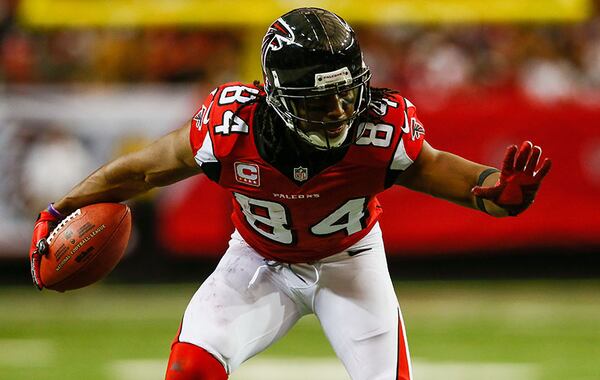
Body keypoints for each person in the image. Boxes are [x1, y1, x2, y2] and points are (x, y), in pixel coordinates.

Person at [28, 7, 552, 380]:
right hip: (257, 260)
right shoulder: (232, 126)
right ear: (277, 97)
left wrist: (496, 191)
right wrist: (61, 208)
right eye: (321, 101)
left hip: (350, 263)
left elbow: (439, 169)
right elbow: (144, 172)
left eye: (348, 95)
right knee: (190, 370)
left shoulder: (380, 128)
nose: (342, 113)